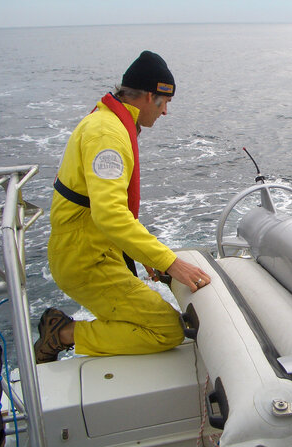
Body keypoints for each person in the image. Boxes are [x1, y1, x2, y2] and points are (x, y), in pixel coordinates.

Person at [35, 50, 211, 364]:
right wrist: (170, 262)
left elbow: (102, 210)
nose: (166, 112)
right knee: (167, 331)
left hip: (97, 251)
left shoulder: (108, 123)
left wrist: (140, 253)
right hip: (86, 262)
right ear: (148, 97)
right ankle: (61, 333)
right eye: (165, 102)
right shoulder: (107, 135)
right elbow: (110, 214)